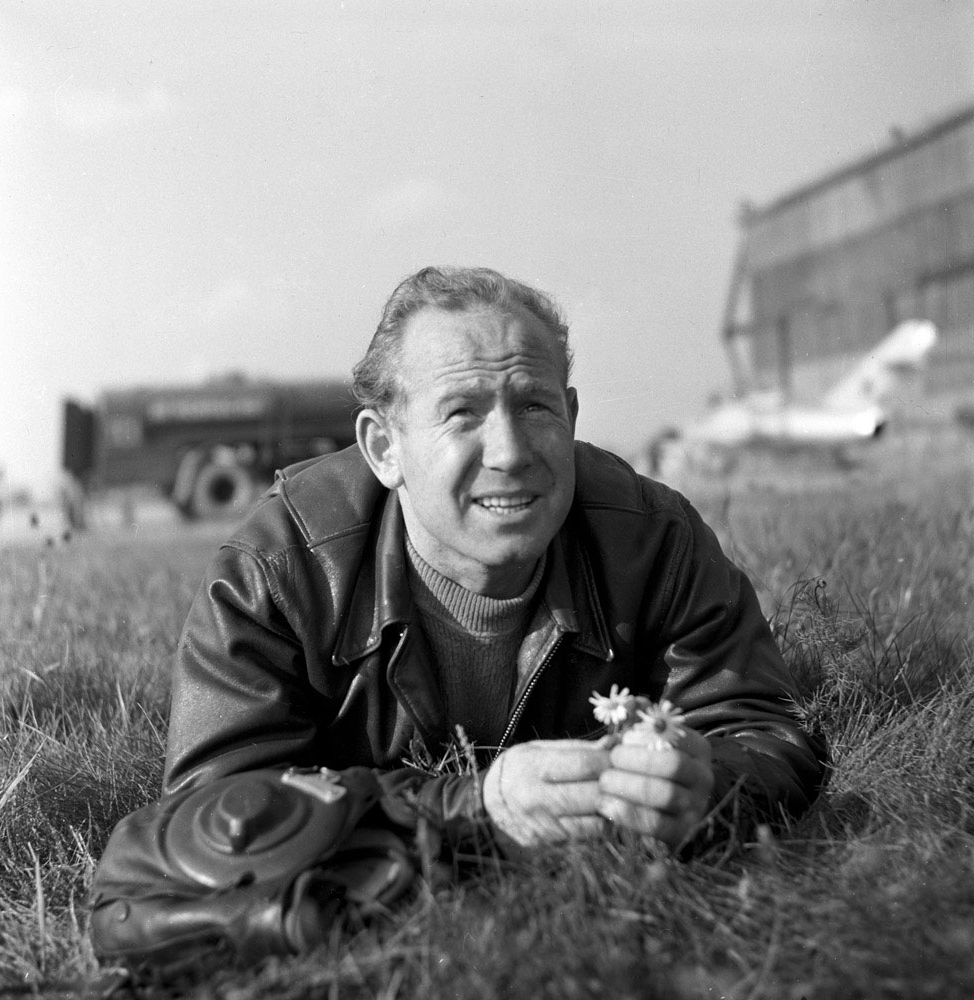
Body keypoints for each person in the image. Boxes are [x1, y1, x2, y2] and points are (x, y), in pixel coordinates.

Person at [162, 265, 825, 862]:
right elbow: (214, 817)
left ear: (569, 417)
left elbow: (767, 731)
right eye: (462, 414)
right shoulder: (279, 570)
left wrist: (704, 781)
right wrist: (476, 810)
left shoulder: (653, 539)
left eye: (533, 405)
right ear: (384, 448)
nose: (509, 451)